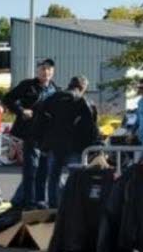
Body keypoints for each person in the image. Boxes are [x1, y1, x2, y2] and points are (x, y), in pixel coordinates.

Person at [34, 76, 100, 208]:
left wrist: (42, 143)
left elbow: (39, 120)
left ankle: (54, 206)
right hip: (76, 146)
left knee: (53, 177)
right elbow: (91, 127)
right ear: (82, 87)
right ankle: (74, 207)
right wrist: (94, 146)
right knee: (76, 178)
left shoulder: (52, 98)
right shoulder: (83, 101)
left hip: (54, 145)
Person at [3, 58, 58, 209]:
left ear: (53, 72)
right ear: (37, 71)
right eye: (43, 69)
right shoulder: (28, 85)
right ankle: (29, 203)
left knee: (44, 170)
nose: (46, 72)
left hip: (47, 136)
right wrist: (21, 111)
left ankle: (40, 201)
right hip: (31, 133)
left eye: (49, 69)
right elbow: (7, 98)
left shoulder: (56, 89)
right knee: (31, 169)